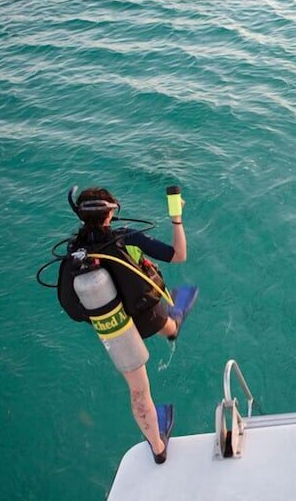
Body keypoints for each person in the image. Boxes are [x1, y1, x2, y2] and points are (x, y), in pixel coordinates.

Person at [56, 187, 196, 464]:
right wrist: (176, 217)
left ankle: (158, 449)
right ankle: (172, 327)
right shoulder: (127, 236)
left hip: (113, 324)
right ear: (111, 212)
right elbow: (178, 255)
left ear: (81, 217)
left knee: (139, 391)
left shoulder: (74, 250)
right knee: (164, 320)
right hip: (145, 313)